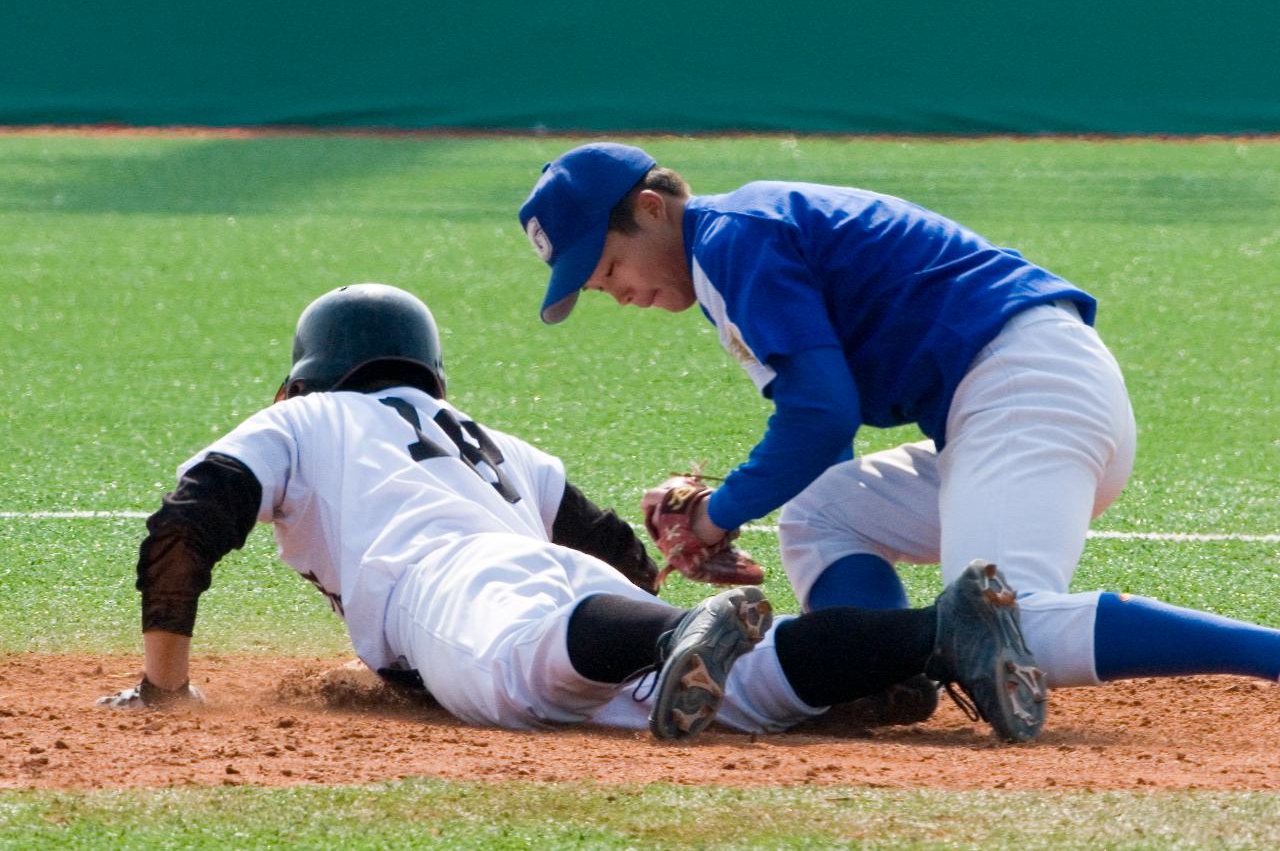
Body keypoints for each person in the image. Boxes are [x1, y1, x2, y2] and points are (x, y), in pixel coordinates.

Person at [517, 142, 1280, 727]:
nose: (615, 292)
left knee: (1008, 630)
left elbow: (820, 415)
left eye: (609, 265)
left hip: (1025, 389)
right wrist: (731, 510)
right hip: (1019, 395)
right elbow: (822, 441)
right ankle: (887, 672)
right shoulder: (729, 247)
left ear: (651, 207)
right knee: (825, 512)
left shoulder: (730, 239)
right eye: (596, 285)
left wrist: (714, 518)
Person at [98, 282, 1047, 742]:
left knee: (528, 684)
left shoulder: (304, 417)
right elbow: (606, 548)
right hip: (576, 591)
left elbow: (185, 526)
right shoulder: (492, 437)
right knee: (748, 695)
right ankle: (935, 630)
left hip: (459, 593)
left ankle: (687, 632)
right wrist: (669, 591)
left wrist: (164, 685)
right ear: (427, 369)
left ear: (305, 374)